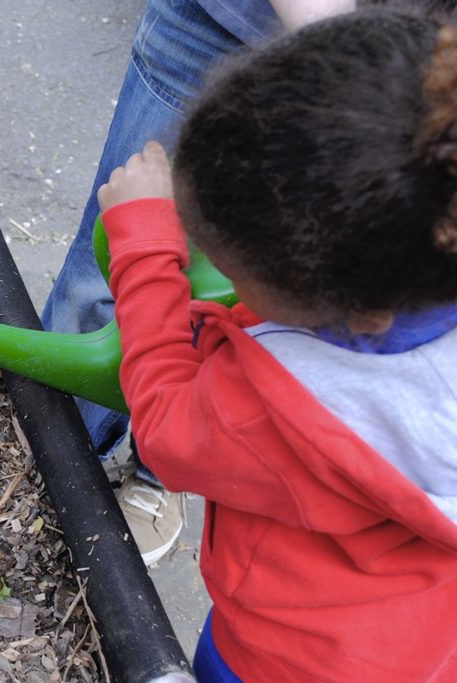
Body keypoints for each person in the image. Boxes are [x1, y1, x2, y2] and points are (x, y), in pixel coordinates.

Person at [98, 8, 457, 680]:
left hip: (279, 660)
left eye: (234, 272)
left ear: (363, 313)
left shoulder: (285, 405)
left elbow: (169, 429)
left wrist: (146, 249)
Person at [42, 0, 353, 565]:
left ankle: (151, 477)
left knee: (216, 326)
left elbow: (179, 430)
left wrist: (143, 240)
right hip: (245, 26)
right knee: (105, 293)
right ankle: (51, 456)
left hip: (380, 81)